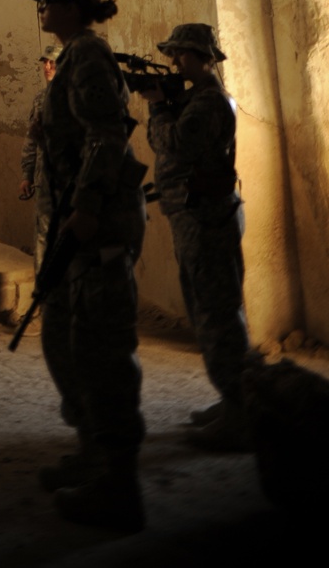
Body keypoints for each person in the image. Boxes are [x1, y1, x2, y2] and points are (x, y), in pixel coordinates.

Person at [31, 0, 147, 533]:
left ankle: (119, 486)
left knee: (100, 349)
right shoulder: (73, 56)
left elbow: (107, 135)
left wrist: (88, 206)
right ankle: (92, 451)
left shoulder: (90, 58)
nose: (43, 10)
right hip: (73, 226)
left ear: (75, 6)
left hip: (96, 225)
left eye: (50, 2)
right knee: (63, 336)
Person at [142, 22, 252, 450]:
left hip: (207, 219)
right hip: (196, 216)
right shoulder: (198, 98)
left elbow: (173, 144)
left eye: (183, 55)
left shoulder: (208, 104)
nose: (175, 62)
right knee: (206, 310)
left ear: (205, 59)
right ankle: (233, 400)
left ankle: (242, 415)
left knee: (218, 314)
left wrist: (157, 107)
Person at [19, 47, 58, 267]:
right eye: (45, 62)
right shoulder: (41, 99)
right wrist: (27, 174)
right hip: (44, 182)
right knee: (43, 237)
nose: (47, 67)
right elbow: (31, 140)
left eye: (53, 63)